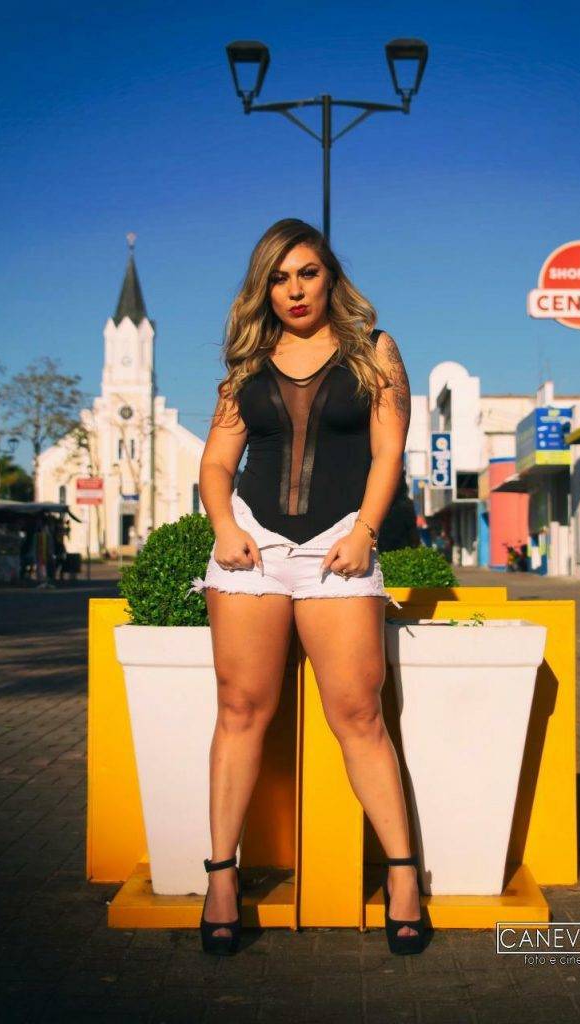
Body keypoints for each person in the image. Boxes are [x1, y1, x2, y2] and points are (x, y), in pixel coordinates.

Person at [186, 218, 426, 957]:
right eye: (280, 278)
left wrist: (366, 532)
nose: (295, 290)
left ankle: (404, 876)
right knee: (240, 710)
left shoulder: (375, 350)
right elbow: (215, 463)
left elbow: (388, 452)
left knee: (359, 714)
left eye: (308, 273)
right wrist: (224, 526)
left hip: (340, 543)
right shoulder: (248, 363)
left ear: (330, 276)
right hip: (251, 548)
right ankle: (220, 878)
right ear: (264, 289)